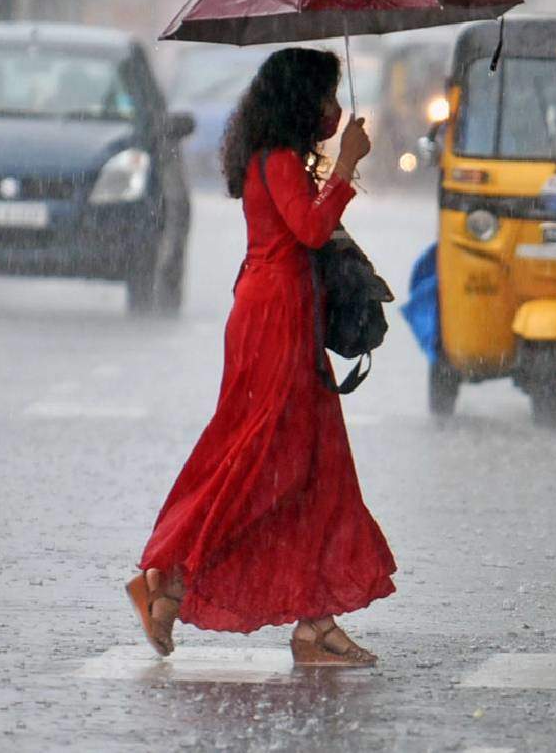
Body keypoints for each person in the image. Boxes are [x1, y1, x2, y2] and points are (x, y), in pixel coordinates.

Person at [126, 47, 397, 666]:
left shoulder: (282, 159)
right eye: (326, 99)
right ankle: (167, 578)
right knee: (260, 460)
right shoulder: (275, 160)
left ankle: (315, 622)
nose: (334, 110)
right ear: (301, 101)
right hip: (272, 321)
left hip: (289, 317)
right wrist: (347, 169)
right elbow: (307, 230)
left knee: (316, 465)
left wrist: (334, 168)